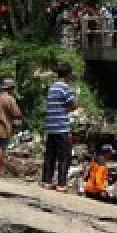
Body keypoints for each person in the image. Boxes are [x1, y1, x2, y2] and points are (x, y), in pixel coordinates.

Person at [42, 63, 78, 191]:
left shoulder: (52, 88)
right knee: (64, 156)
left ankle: (47, 181)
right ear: (68, 75)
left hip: (51, 126)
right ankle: (62, 184)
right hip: (62, 127)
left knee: (50, 155)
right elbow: (73, 105)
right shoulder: (65, 88)